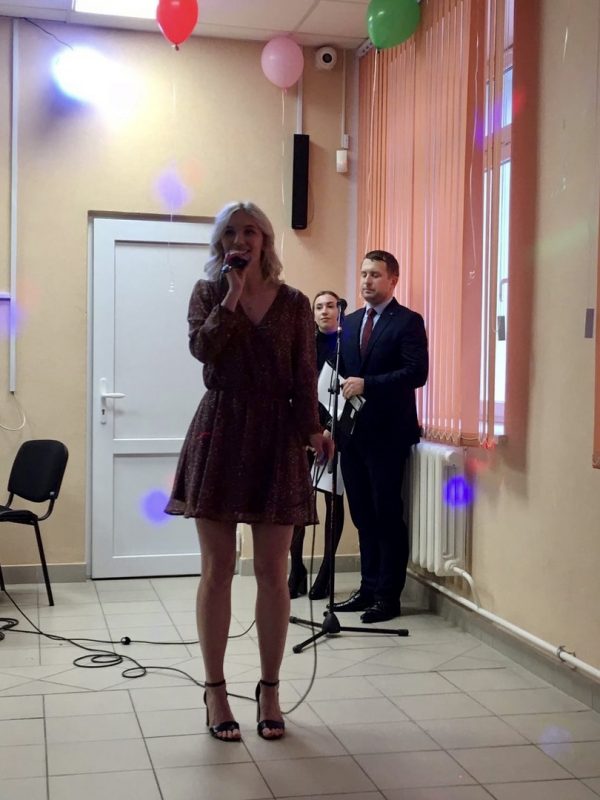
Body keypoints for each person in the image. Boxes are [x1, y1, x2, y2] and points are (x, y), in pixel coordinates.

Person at [165, 201, 333, 742]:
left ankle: (270, 689)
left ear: (265, 240)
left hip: (276, 437)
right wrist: (232, 295)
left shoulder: (295, 303)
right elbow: (203, 350)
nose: (241, 240)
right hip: (219, 430)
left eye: (251, 232)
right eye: (231, 233)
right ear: (221, 242)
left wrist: (313, 431)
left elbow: (303, 375)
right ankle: (215, 690)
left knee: (272, 572)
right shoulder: (207, 292)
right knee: (217, 569)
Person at [331, 250, 428, 623]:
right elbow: (342, 373)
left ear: (392, 280)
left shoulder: (407, 321)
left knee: (386, 513)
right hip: (353, 435)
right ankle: (367, 588)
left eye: (375, 274)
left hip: (388, 434)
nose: (367, 281)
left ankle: (388, 597)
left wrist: (368, 384)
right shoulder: (350, 322)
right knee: (362, 515)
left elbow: (416, 373)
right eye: (363, 274)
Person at [288, 290, 346, 600]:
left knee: (332, 499)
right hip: (304, 432)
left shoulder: (347, 345)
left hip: (336, 431)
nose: (325, 311)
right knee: (298, 500)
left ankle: (326, 572)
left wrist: (327, 428)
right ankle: (296, 568)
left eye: (331, 306)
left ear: (340, 311)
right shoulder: (304, 345)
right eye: (319, 307)